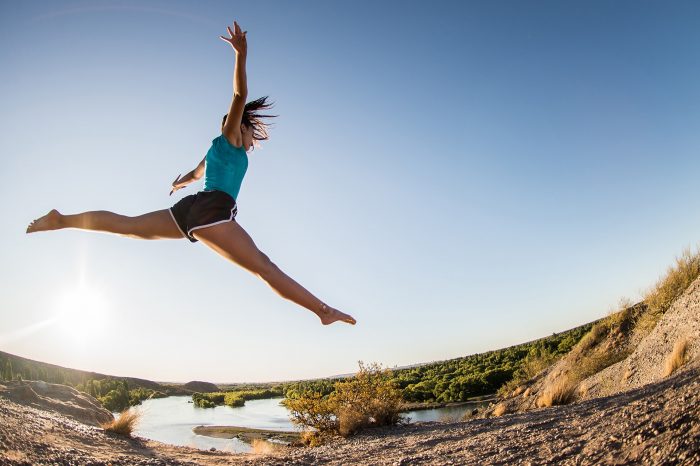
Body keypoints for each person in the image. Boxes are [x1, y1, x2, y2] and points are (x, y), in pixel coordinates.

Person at [26, 20, 356, 327]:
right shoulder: (229, 138)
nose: (254, 138)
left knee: (128, 226)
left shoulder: (216, 150)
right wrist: (241, 57)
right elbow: (239, 96)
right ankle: (322, 311)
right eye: (252, 131)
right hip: (212, 210)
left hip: (190, 208)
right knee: (264, 268)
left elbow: (195, 174)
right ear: (239, 126)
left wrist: (177, 183)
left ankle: (62, 220)